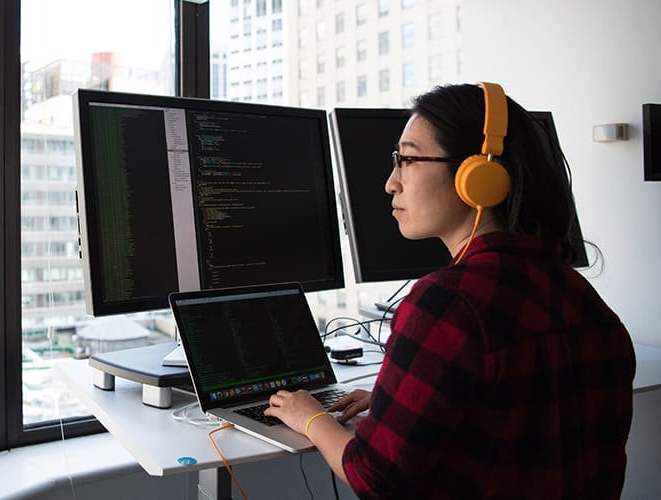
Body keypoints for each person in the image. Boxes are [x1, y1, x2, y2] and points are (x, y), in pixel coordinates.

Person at [263, 83, 636, 499]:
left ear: (478, 177)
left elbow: (375, 477)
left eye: (406, 159)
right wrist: (399, 406)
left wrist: (312, 417)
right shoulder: (583, 297)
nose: (391, 183)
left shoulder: (447, 303)